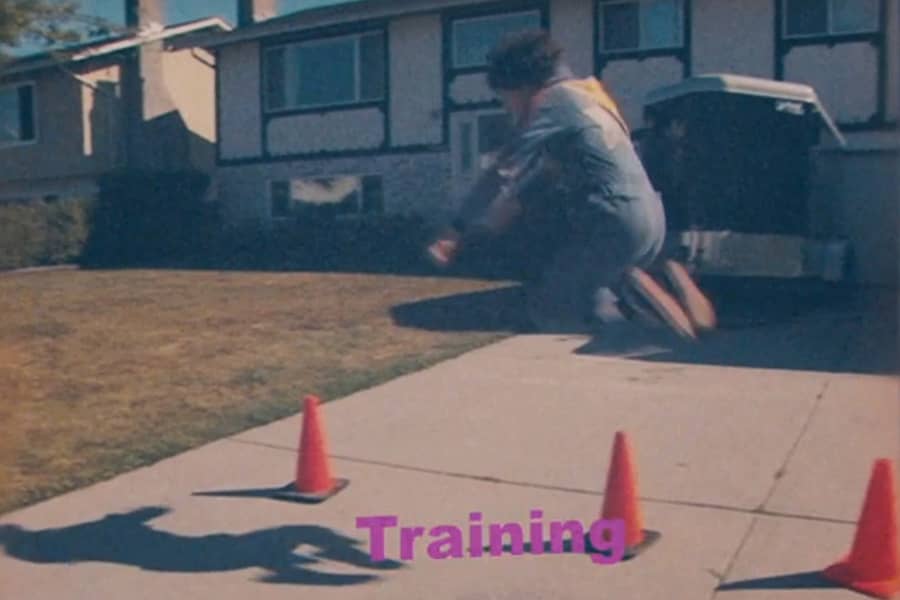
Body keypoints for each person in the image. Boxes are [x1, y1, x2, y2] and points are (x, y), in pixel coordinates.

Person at [427, 30, 715, 339]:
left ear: (522, 86)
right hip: (649, 219)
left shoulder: (550, 102)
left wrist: (454, 230)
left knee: (552, 304)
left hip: (613, 222)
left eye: (505, 99)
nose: (508, 109)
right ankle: (664, 282)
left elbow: (502, 169)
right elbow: (549, 172)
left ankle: (638, 294)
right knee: (598, 301)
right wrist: (512, 207)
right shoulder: (590, 95)